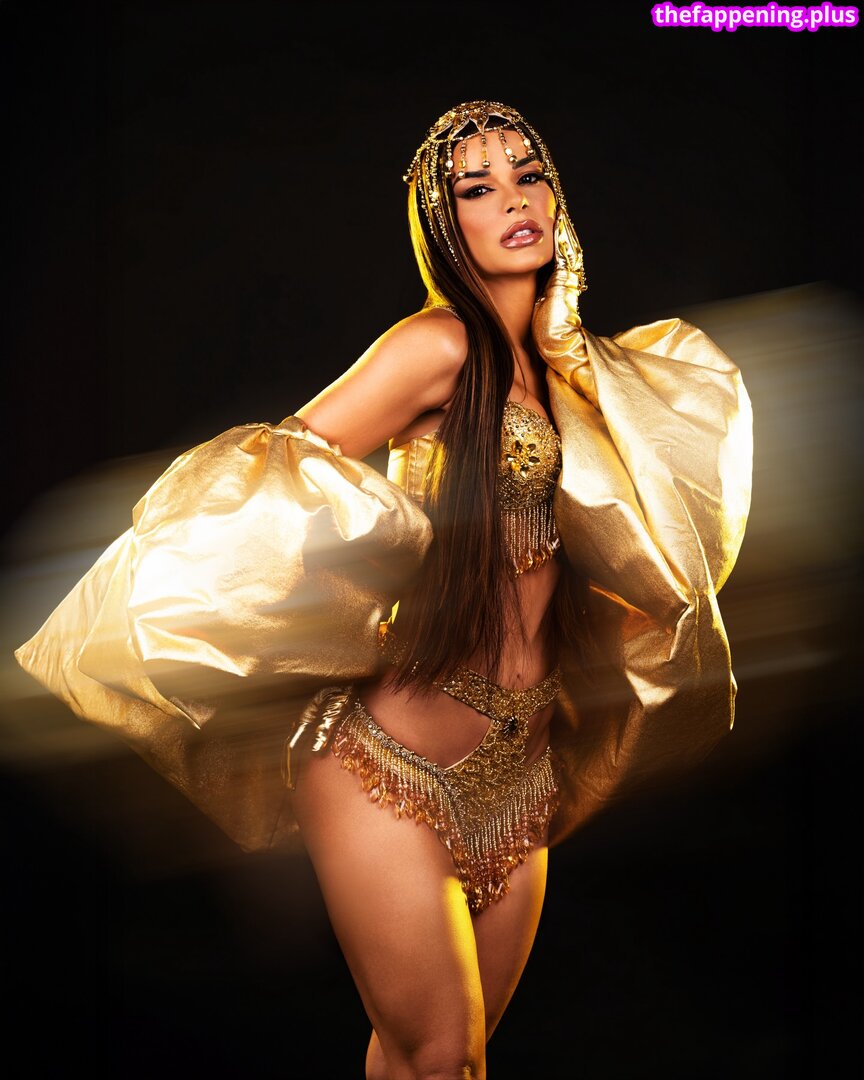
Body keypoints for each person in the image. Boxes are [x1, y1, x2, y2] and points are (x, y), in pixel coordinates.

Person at [15, 101, 752, 1079]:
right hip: (388, 765)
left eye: (528, 174)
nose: (513, 200)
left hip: (522, 778)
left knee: (447, 1064)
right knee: (438, 1057)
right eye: (477, 188)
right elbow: (278, 465)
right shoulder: (439, 346)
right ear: (445, 224)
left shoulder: (578, 373)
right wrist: (367, 552)